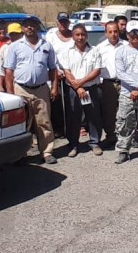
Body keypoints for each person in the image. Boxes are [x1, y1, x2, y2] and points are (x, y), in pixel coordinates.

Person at [4, 16, 59, 164]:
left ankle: (47, 152)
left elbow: (53, 69)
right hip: (21, 89)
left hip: (41, 89)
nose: (30, 28)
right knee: (22, 123)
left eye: (33, 25)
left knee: (44, 122)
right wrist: (10, 94)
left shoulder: (46, 46)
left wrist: (54, 87)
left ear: (37, 27)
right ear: (22, 29)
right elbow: (8, 71)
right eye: (27, 25)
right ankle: (22, 154)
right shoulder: (15, 46)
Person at [57, 24, 103, 157]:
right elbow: (67, 71)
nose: (80, 37)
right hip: (73, 90)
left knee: (93, 116)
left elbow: (97, 70)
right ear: (73, 36)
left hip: (91, 88)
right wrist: (78, 87)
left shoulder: (94, 50)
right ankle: (74, 144)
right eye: (77, 34)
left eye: (83, 34)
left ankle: (94, 143)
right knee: (73, 117)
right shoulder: (67, 52)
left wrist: (81, 84)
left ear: (86, 36)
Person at [114, 20, 138, 164]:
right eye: (132, 33)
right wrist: (136, 87)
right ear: (127, 34)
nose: (135, 36)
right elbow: (120, 73)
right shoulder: (121, 51)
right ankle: (123, 150)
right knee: (124, 122)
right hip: (127, 94)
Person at [96, 21, 126, 148]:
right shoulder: (100, 48)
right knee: (109, 112)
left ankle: (125, 137)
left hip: (124, 83)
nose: (113, 34)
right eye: (110, 32)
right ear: (106, 33)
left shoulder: (126, 45)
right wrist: (101, 83)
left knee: (125, 111)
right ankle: (111, 136)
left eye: (115, 31)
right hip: (108, 84)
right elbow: (96, 66)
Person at [45, 12, 75, 138]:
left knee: (72, 102)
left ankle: (73, 127)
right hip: (56, 73)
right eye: (61, 22)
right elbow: (48, 56)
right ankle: (59, 128)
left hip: (72, 74)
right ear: (57, 22)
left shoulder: (74, 35)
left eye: (65, 22)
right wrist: (57, 70)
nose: (63, 24)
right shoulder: (51, 36)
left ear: (69, 23)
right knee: (56, 101)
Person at [0, 23, 23, 90]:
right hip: (10, 83)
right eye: (12, 34)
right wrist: (0, 86)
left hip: (24, 84)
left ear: (21, 34)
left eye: (16, 34)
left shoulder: (27, 47)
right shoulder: (5, 48)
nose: (14, 36)